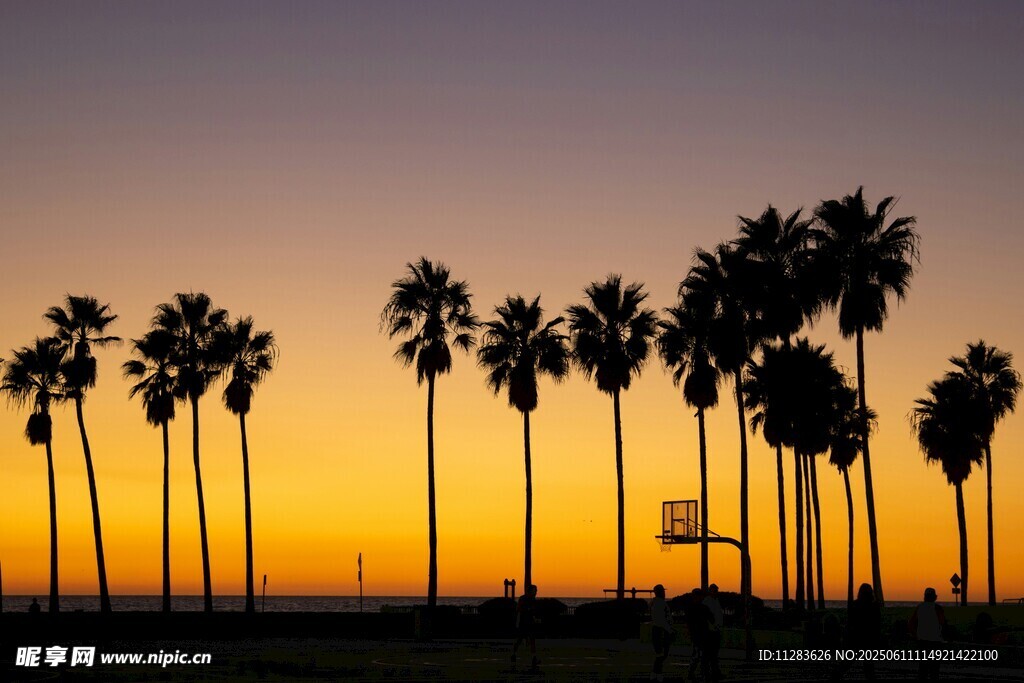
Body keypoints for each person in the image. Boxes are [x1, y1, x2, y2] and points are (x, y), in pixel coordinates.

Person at [845, 583, 881, 680]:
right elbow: (877, 625)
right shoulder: (874, 606)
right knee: (868, 666)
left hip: (856, 638)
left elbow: (850, 622)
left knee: (847, 662)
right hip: (868, 639)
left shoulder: (854, 605)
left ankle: (835, 676)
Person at [908, 587, 945, 680]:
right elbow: (943, 623)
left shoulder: (919, 608)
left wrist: (916, 636)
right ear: (935, 597)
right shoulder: (937, 608)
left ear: (924, 597)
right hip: (935, 642)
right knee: (934, 670)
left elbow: (911, 624)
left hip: (922, 642)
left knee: (923, 670)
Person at [512, 584, 539, 671]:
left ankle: (534, 657)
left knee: (532, 640)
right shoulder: (523, 598)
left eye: (536, 590)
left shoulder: (533, 599)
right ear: (530, 590)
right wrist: (528, 609)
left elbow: (534, 611)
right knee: (520, 640)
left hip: (530, 623)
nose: (536, 592)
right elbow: (519, 609)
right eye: (535, 590)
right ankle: (514, 654)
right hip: (523, 623)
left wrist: (535, 617)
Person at [650, 584, 674, 681]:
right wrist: (669, 630)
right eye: (663, 591)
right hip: (661, 631)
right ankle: (657, 673)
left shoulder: (655, 603)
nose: (664, 593)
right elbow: (661, 620)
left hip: (658, 630)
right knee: (662, 654)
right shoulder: (660, 603)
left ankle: (656, 673)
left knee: (661, 654)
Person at [702, 584, 723, 681]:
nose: (716, 592)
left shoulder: (716, 600)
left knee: (714, 653)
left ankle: (714, 671)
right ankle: (709, 672)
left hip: (716, 630)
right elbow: (707, 617)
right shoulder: (707, 601)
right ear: (710, 591)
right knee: (709, 653)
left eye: (716, 590)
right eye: (714, 590)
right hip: (710, 631)